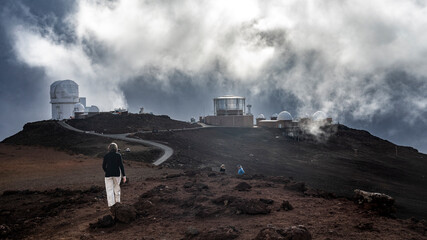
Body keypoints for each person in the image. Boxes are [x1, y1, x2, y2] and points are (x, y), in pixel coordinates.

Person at [102, 142, 126, 207]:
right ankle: (118, 204)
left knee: (109, 190)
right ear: (116, 148)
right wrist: (124, 176)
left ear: (109, 148)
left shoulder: (106, 156)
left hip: (108, 175)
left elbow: (103, 166)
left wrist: (107, 171)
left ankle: (111, 206)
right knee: (117, 189)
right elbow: (121, 166)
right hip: (117, 174)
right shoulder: (118, 155)